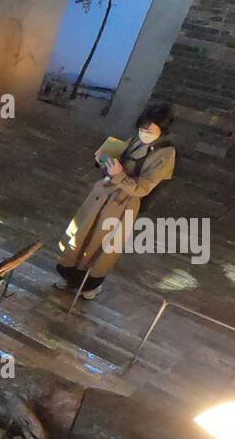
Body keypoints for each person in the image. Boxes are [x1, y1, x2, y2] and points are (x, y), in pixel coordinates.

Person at [55, 103, 177, 299]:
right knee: (80, 236)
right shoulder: (136, 140)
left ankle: (90, 284)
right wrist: (103, 159)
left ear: (162, 130)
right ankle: (68, 274)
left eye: (150, 129)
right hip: (102, 195)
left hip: (123, 204)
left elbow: (143, 187)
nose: (144, 132)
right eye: (142, 128)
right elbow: (117, 156)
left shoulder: (166, 153)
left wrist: (119, 174)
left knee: (102, 246)